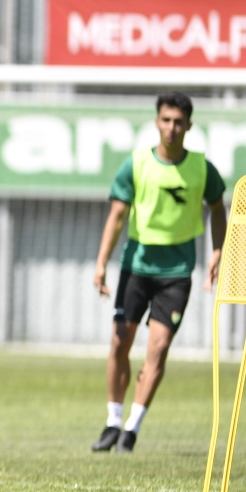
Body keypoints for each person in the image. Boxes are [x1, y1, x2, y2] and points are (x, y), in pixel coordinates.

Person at [91, 92, 226, 454]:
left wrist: (217, 250)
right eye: (166, 120)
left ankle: (132, 429)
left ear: (189, 126)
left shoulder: (201, 168)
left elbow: (218, 208)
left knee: (159, 347)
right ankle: (112, 421)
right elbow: (116, 216)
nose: (171, 128)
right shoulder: (136, 164)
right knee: (119, 342)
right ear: (156, 122)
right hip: (136, 268)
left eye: (179, 122)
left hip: (177, 273)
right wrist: (101, 262)